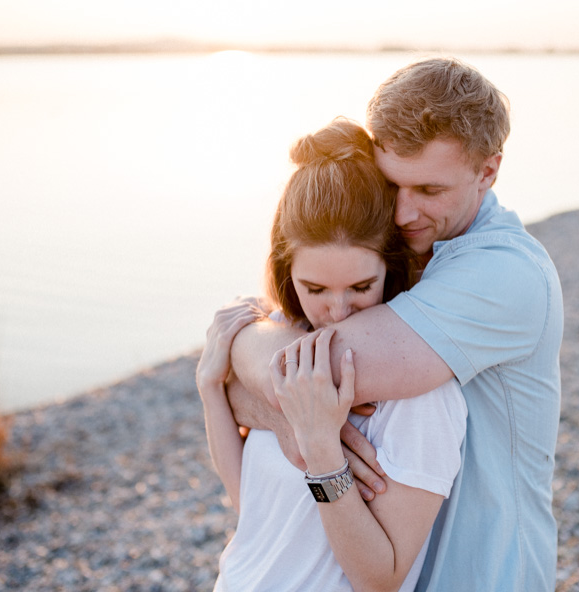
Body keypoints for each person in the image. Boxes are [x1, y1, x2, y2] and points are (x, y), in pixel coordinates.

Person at [225, 58, 564, 591]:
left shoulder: (503, 272)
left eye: (429, 190)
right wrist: (277, 406)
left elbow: (310, 371)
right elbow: (290, 383)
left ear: (488, 171)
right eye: (391, 185)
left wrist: (233, 347)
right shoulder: (410, 259)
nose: (403, 214)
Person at [196, 118, 467, 591]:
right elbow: (252, 507)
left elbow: (380, 579)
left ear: (392, 265)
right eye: (315, 288)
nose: (338, 311)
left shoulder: (421, 396)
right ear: (287, 271)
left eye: (361, 286)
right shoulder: (282, 335)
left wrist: (324, 453)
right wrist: (210, 389)